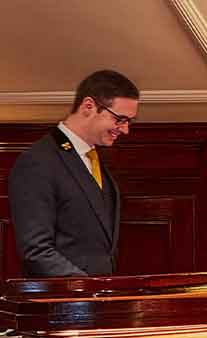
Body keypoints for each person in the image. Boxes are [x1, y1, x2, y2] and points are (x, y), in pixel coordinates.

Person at [8, 70, 139, 277]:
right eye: (119, 119)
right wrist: (89, 290)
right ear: (88, 106)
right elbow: (37, 251)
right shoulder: (38, 161)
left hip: (97, 302)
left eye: (129, 122)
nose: (125, 130)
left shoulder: (93, 160)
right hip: (66, 303)